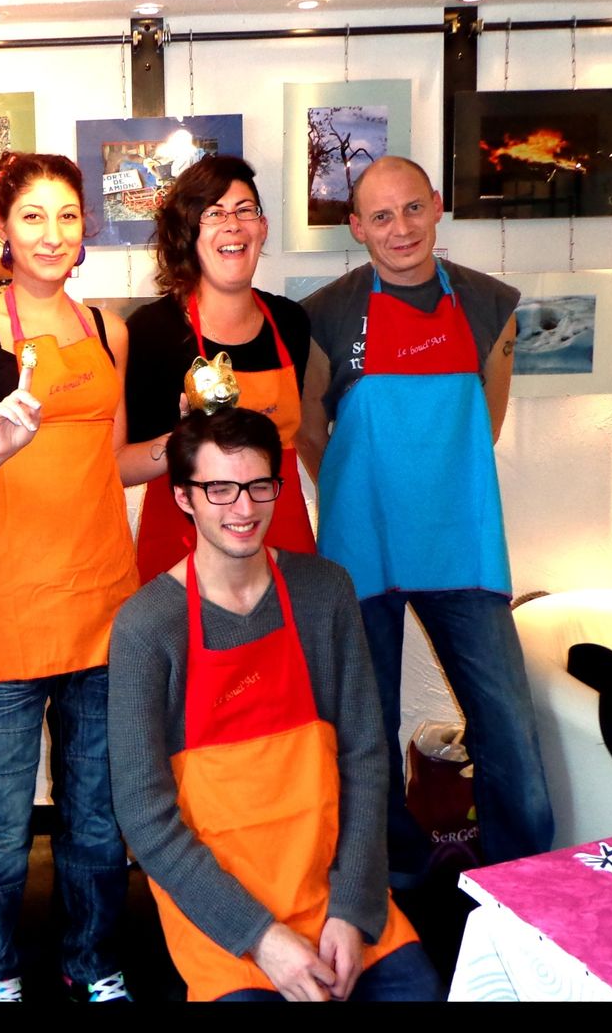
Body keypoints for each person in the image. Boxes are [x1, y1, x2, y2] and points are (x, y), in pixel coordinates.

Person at [109, 407, 438, 1002]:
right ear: (183, 497)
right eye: (219, 489)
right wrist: (260, 938)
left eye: (259, 485)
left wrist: (353, 909)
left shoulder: (325, 591)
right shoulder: (146, 625)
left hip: (334, 892)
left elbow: (366, 758)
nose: (243, 507)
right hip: (223, 919)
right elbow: (144, 815)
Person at [296, 155, 553, 883]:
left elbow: (486, 422)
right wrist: (354, 491)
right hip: (362, 544)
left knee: (507, 725)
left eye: (412, 208)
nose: (400, 228)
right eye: (381, 216)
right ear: (357, 227)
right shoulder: (326, 313)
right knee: (367, 729)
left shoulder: (489, 304)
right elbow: (309, 426)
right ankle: (389, 878)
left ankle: (525, 881)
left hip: (461, 544)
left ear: (437, 206)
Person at [0, 152, 141, 1003]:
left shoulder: (109, 331)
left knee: (97, 819)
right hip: (6, 612)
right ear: (4, 231)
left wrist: (196, 437)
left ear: (85, 228)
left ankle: (94, 962)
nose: (53, 234)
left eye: (67, 216)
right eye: (33, 217)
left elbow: (113, 462)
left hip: (104, 606)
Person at [123, 156, 315, 584]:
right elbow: (119, 467)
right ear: (190, 233)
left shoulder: (291, 323)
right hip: (186, 544)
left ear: (262, 228)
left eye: (244, 210)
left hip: (279, 531)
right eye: (214, 213)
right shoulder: (153, 331)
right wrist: (182, 439)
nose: (232, 225)